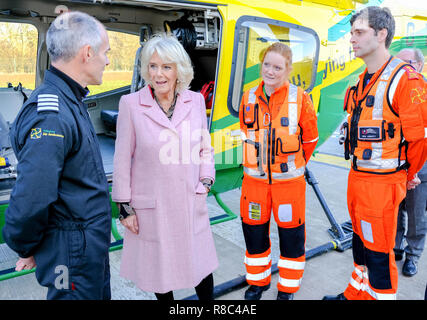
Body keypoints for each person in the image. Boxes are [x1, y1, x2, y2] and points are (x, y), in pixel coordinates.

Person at [2, 11, 112, 299]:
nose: (109, 60)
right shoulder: (52, 115)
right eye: (106, 52)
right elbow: (32, 197)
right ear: (87, 53)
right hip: (73, 252)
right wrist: (26, 245)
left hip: (85, 246)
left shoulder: (70, 99)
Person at [323, 6, 426, 300]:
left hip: (383, 182)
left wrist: (407, 174)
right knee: (361, 242)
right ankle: (356, 293)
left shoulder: (405, 80)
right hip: (358, 175)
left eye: (359, 32)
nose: (352, 39)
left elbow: (419, 141)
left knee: (379, 253)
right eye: (351, 32)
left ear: (381, 35)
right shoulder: (362, 80)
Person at [112, 33, 218, 301]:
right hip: (152, 206)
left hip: (188, 200)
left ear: (178, 70)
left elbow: (204, 147)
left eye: (166, 67)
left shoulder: (194, 101)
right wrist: (124, 207)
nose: (159, 74)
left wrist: (205, 181)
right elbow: (122, 159)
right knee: (159, 269)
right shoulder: (131, 105)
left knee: (200, 266)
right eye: (153, 66)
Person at [239, 42, 319, 300]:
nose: (270, 71)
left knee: (291, 237)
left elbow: (310, 140)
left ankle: (287, 288)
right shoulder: (248, 96)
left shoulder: (300, 98)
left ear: (288, 69)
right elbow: (244, 131)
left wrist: (291, 166)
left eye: (277, 67)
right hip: (254, 184)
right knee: (254, 234)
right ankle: (258, 283)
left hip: (289, 187)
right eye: (266, 65)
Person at [393, 48, 427, 277]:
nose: (401, 68)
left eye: (406, 63)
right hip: (395, 165)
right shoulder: (395, 91)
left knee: (416, 214)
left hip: (421, 167)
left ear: (420, 65)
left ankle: (412, 255)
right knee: (394, 209)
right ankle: (396, 246)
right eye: (397, 63)